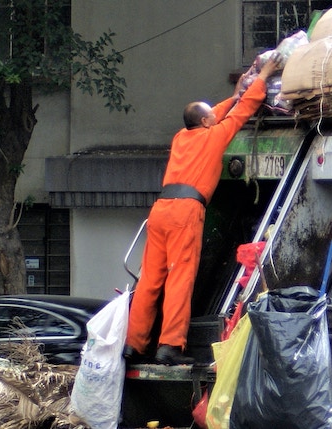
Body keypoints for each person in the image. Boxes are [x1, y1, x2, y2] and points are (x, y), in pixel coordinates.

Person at [124, 56, 282, 365]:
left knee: (149, 282)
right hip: (186, 212)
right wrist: (263, 75)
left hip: (159, 211)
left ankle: (133, 344)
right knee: (179, 279)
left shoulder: (182, 137)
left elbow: (221, 111)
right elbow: (245, 109)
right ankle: (170, 347)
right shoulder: (215, 136)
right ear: (208, 122)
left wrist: (233, 95)